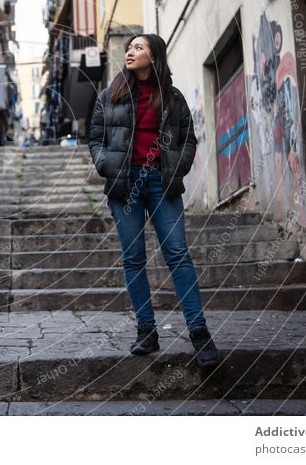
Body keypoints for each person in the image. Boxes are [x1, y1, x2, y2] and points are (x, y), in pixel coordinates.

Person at [88, 33, 220, 367]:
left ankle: (199, 332)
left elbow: (188, 138)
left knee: (177, 254)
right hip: (125, 183)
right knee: (133, 258)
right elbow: (95, 138)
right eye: (129, 48)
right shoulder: (110, 95)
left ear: (154, 55)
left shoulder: (172, 98)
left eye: (138, 47)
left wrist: (179, 166)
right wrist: (105, 164)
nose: (130, 52)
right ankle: (146, 330)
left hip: (162, 183)